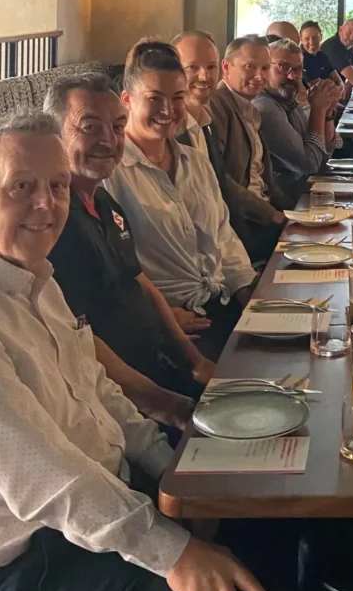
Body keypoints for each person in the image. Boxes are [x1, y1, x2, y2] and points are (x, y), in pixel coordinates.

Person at [0, 111, 298, 591]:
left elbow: (96, 393)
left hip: (84, 524)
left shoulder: (32, 275)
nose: (47, 204)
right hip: (16, 580)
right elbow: (43, 478)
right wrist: (176, 553)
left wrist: (167, 452)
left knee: (266, 517)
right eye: (22, 186)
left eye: (58, 186)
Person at [45, 75, 214, 422]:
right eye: (89, 127)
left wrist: (194, 359)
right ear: (54, 133)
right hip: (120, 399)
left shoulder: (104, 202)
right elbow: (79, 337)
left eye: (118, 126)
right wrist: (164, 403)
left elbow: (140, 280)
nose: (108, 139)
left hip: (160, 364)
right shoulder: (53, 224)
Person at [105, 40, 257, 361]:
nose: (167, 110)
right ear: (127, 101)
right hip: (173, 325)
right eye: (154, 99)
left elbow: (223, 236)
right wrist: (160, 315)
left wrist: (250, 291)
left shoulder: (194, 161)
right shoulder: (112, 173)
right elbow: (114, 267)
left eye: (177, 99)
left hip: (223, 306)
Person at [200, 34, 289, 264]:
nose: (259, 76)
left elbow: (262, 176)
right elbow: (220, 180)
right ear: (226, 67)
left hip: (265, 216)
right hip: (244, 226)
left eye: (265, 68)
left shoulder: (250, 109)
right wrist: (274, 216)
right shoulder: (216, 106)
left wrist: (295, 211)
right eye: (250, 67)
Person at [253, 38, 344, 203]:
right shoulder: (264, 108)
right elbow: (309, 165)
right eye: (283, 67)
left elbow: (324, 157)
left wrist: (327, 112)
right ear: (264, 69)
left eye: (297, 69)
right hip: (284, 206)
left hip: (306, 195)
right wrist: (317, 110)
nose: (292, 76)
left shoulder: (287, 100)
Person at [170, 29, 224, 180]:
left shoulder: (209, 124)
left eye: (211, 67)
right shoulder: (166, 130)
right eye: (192, 67)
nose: (204, 76)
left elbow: (221, 187)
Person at [321, 17, 353, 87]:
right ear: (340, 30)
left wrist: (350, 83)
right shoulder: (333, 48)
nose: (352, 37)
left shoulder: (348, 46)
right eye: (350, 32)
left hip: (334, 92)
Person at [300, 20, 344, 87]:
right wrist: (333, 84)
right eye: (307, 39)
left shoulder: (322, 56)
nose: (311, 42)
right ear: (301, 40)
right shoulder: (301, 60)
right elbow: (317, 89)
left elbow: (339, 82)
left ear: (321, 37)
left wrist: (338, 87)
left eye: (315, 38)